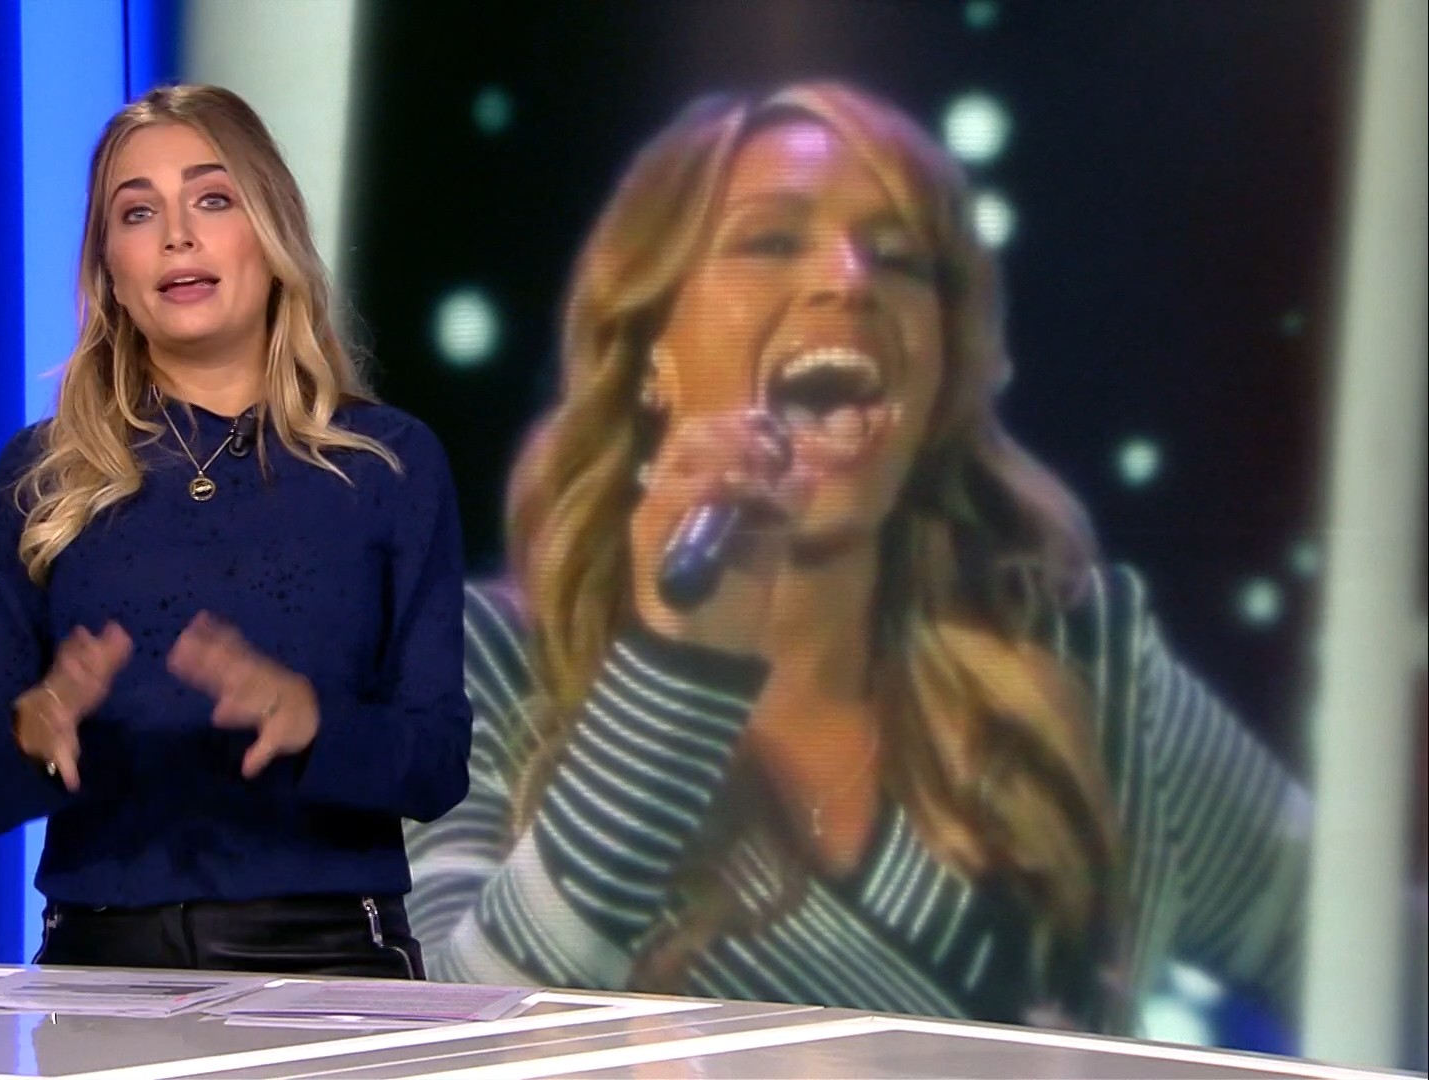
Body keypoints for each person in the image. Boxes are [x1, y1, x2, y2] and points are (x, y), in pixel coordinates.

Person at [403, 83, 1307, 1034]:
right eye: (770, 242)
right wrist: (674, 676)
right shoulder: (477, 669)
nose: (850, 279)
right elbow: (432, 1040)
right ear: (649, 352)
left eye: (901, 259)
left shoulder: (1094, 680)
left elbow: (1372, 953)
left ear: (940, 374)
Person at [0, 84, 471, 978]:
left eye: (213, 199)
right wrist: (34, 732)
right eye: (138, 212)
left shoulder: (388, 464)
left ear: (271, 233)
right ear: (110, 270)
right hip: (99, 970)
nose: (177, 236)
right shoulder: (43, 476)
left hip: (328, 966)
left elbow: (436, 766)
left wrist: (314, 722)